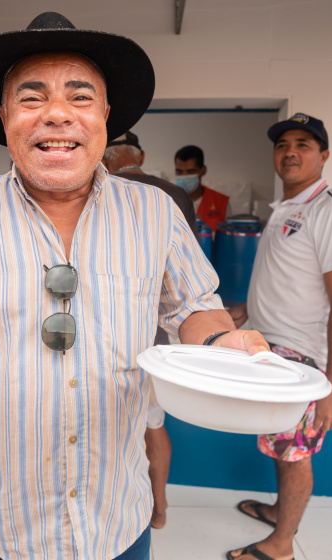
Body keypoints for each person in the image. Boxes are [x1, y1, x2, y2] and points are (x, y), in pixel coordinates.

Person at [0, 12, 269, 560]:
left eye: (80, 97)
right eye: (32, 98)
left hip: (118, 517)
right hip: (8, 524)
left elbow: (193, 307)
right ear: (5, 116)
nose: (57, 114)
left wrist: (221, 344)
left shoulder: (153, 212)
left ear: (104, 116)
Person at [226, 113, 332, 560]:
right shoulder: (285, 208)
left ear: (323, 156)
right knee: (281, 443)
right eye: (283, 143)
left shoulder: (329, 210)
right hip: (271, 349)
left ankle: (282, 545)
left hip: (301, 359)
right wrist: (245, 310)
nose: (290, 151)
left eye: (304, 144)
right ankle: (278, 511)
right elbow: (285, 279)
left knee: (295, 452)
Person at [102, 130, 200, 529]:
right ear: (140, 155)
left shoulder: (102, 191)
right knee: (153, 426)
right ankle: (158, 508)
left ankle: (112, 515)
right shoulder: (173, 196)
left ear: (104, 159)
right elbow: (190, 277)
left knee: (109, 431)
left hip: (108, 340)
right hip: (160, 339)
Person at [174, 145, 229, 231]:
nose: (184, 176)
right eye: (179, 172)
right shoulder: (169, 201)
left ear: (203, 170)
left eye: (190, 171)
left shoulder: (221, 203)